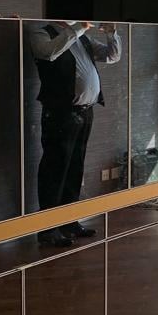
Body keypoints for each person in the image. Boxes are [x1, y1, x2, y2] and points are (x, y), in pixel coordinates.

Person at [30, 21, 122, 247]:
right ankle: (48, 229)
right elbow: (48, 53)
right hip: (60, 113)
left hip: (85, 111)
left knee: (75, 167)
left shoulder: (83, 38)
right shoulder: (42, 33)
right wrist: (77, 28)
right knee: (55, 168)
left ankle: (69, 222)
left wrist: (112, 33)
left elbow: (112, 56)